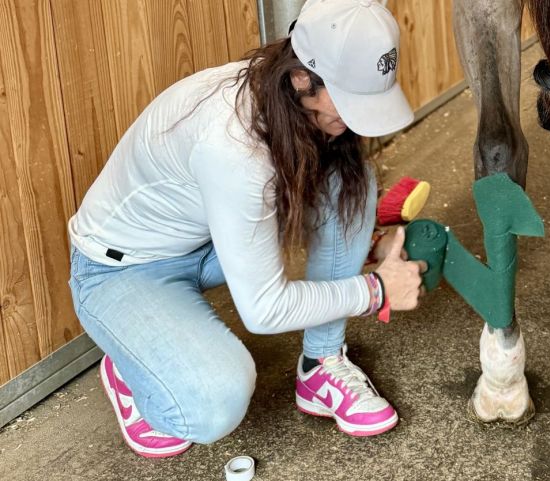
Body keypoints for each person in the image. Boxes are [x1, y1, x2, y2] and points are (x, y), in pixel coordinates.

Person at [67, 0, 425, 458]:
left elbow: (317, 195)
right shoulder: (232, 142)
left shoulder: (280, 100)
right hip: (122, 270)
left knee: (349, 179)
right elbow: (264, 310)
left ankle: (322, 363)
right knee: (211, 405)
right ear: (301, 77)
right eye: (350, 101)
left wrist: (364, 240)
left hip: (207, 241)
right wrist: (376, 290)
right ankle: (134, 364)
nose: (357, 119)